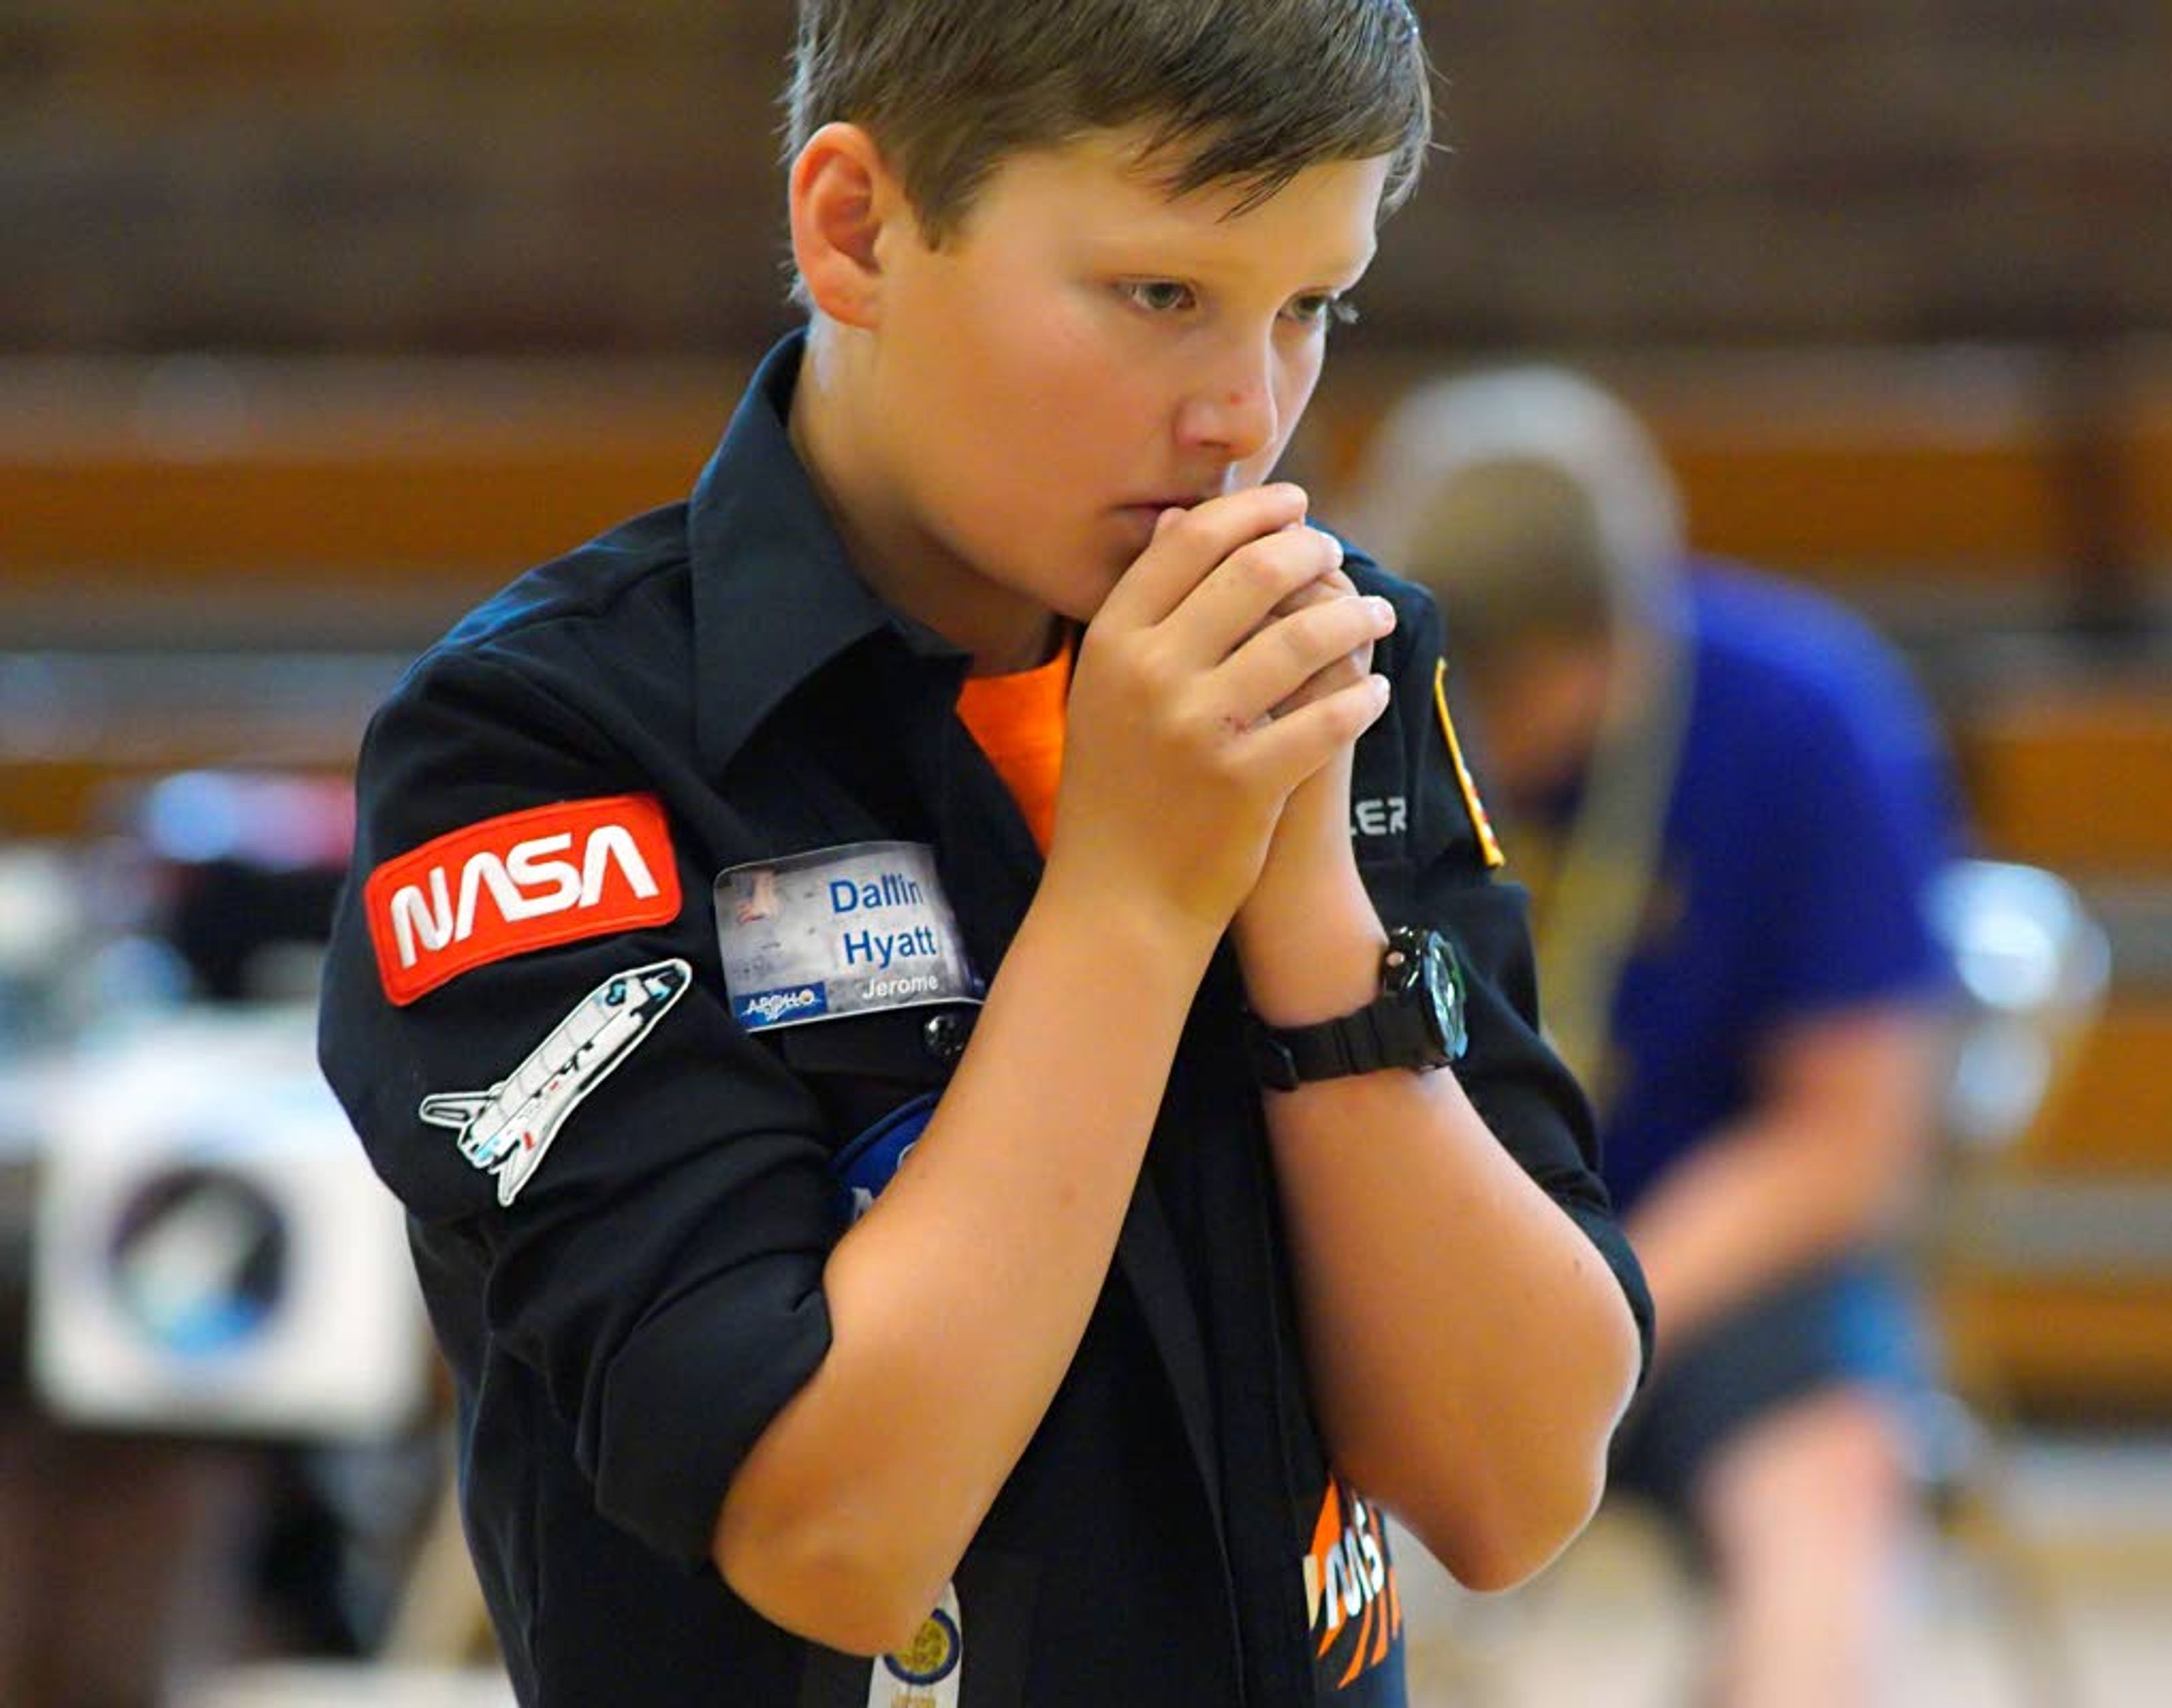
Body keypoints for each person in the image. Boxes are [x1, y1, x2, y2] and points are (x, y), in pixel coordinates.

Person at [314, 7, 1652, 1705]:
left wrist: (1301, 902)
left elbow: (1514, 1483)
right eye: (1160, 294)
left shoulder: (1338, 662)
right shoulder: (538, 749)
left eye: (1310, 304)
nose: (1243, 416)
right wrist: (1131, 903)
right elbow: (835, 1535)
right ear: (856, 229)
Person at [1351, 367, 1961, 1708]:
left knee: (1828, 1483)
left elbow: (1850, 1142)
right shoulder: (1349, 708)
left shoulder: (1806, 717)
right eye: (1466, 694)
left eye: (1529, 695)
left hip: (1709, 1269)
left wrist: (1612, 1306)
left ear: (1627, 639)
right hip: (1404, 1247)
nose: (1495, 737)